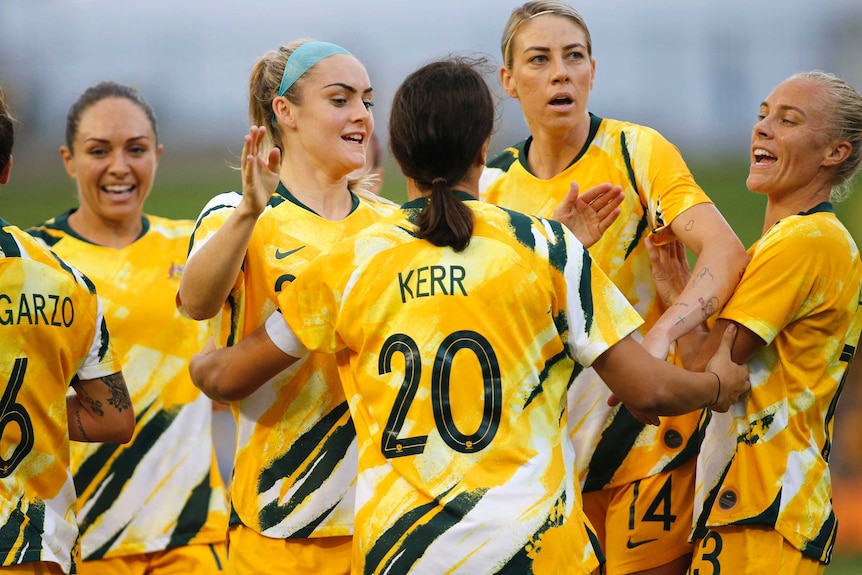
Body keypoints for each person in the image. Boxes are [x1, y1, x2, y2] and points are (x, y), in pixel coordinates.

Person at [186, 56, 750, 575]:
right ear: (485, 147)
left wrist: (202, 365)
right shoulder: (544, 248)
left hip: (402, 549)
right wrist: (716, 384)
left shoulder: (348, 263)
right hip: (532, 545)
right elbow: (649, 392)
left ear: (398, 152)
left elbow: (223, 376)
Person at [479, 3, 751, 573]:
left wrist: (660, 337)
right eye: (540, 59)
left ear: (592, 71)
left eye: (573, 57)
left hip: (648, 449)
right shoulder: (492, 188)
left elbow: (725, 251)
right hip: (546, 470)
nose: (561, 72)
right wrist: (557, 246)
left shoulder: (637, 151)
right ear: (508, 82)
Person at [176, 40, 400, 575]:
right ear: (286, 111)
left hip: (384, 523)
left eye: (367, 102)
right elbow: (195, 302)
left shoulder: (391, 226)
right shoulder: (239, 214)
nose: (362, 117)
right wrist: (250, 210)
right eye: (340, 99)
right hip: (279, 526)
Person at [647, 71, 862, 575]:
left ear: (835, 153)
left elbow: (708, 370)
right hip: (754, 510)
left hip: (764, 511)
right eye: (763, 114)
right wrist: (680, 295)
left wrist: (637, 366)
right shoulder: (788, 243)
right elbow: (713, 363)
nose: (763, 128)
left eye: (788, 120)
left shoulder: (805, 241)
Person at [27, 81, 229, 574]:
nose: (120, 167)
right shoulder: (35, 263)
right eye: (99, 151)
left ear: (157, 155)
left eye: (136, 149)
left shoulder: (196, 252)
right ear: (68, 160)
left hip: (194, 536)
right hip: (80, 539)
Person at [0, 85, 134, 575]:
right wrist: (39, 413)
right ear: (8, 169)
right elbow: (113, 419)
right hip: (40, 548)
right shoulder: (66, 280)